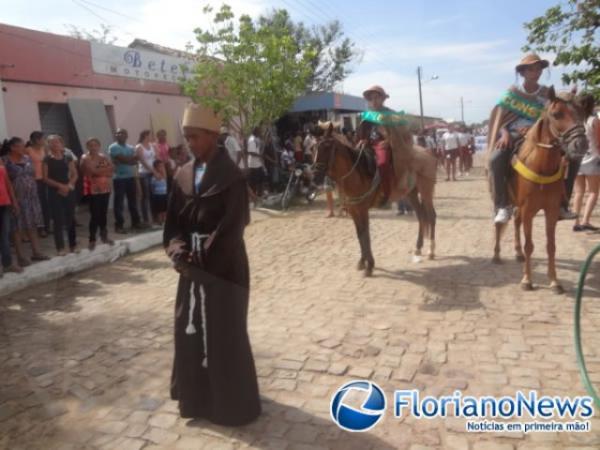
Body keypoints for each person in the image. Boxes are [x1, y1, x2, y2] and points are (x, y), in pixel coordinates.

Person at [163, 103, 261, 425]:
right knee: (188, 331)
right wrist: (179, 253)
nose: (189, 143)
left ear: (212, 136)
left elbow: (233, 226)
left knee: (225, 334)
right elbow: (174, 224)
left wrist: (203, 261)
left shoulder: (232, 177)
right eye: (186, 137)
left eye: (195, 137)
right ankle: (197, 399)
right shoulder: (182, 174)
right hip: (190, 268)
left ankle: (230, 405)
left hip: (224, 269)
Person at [488, 54, 553, 224]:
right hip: (513, 135)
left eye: (538, 68)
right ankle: (502, 205)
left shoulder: (547, 94)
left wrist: (533, 129)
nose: (536, 72)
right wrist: (505, 133)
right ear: (523, 72)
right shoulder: (512, 93)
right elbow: (499, 120)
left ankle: (563, 202)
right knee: (495, 160)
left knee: (568, 155)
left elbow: (550, 118)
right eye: (531, 69)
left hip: (539, 135)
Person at [1, 137, 48, 265]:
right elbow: (6, 181)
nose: (24, 148)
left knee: (32, 224)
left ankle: (36, 252)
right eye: (21, 146)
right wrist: (13, 199)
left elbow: (32, 174)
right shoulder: (5, 161)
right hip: (16, 199)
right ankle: (21, 257)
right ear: (13, 148)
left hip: (31, 197)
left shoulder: (27, 159)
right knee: (17, 227)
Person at [43, 135, 79, 256]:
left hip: (68, 190)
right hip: (54, 192)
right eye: (51, 143)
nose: (54, 144)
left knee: (70, 218)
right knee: (58, 220)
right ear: (48, 145)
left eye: (57, 142)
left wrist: (68, 186)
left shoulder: (67, 157)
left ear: (61, 143)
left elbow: (74, 174)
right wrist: (60, 186)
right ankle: (60, 248)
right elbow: (45, 178)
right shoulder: (47, 159)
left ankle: (73, 245)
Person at [80, 137, 114, 250]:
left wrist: (99, 172)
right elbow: (92, 171)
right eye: (91, 145)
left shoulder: (103, 156)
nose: (93, 147)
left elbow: (112, 169)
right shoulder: (85, 158)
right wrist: (104, 171)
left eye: (95, 145)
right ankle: (92, 239)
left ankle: (104, 236)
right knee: (95, 214)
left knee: (103, 213)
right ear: (87, 147)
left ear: (99, 146)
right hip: (93, 189)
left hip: (105, 188)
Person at [573, 94, 600, 232]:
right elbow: (598, 142)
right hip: (593, 158)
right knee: (593, 192)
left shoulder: (574, 121)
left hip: (577, 159)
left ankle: (576, 222)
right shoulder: (593, 120)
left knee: (578, 192)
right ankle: (585, 221)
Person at [109, 129, 142, 234]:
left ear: (126, 135)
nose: (120, 135)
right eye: (118, 133)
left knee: (133, 201)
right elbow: (125, 160)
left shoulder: (131, 147)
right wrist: (129, 160)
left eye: (122, 133)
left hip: (130, 177)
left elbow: (136, 160)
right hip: (119, 178)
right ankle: (119, 225)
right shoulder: (113, 147)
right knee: (119, 203)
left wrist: (128, 160)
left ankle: (136, 222)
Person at [0, 157, 22, 275]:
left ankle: (7, 264)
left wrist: (13, 200)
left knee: (5, 234)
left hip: (4, 202)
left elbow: (7, 182)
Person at [26, 131, 50, 237]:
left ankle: (47, 226)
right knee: (37, 205)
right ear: (36, 140)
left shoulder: (44, 149)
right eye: (42, 139)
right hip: (34, 180)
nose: (43, 141)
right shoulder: (28, 150)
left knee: (46, 204)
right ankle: (40, 228)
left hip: (45, 179)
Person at [135, 130, 157, 226]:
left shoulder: (152, 145)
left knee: (154, 196)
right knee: (145, 197)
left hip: (153, 172)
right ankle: (146, 219)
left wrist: (157, 170)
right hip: (144, 173)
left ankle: (155, 217)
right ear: (145, 136)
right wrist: (153, 171)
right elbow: (142, 161)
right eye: (149, 135)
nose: (151, 137)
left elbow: (155, 158)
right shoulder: (139, 147)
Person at [246, 127, 265, 198]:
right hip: (253, 165)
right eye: (259, 131)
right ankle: (253, 198)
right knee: (254, 183)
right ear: (256, 132)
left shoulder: (256, 139)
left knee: (261, 180)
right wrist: (260, 155)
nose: (260, 132)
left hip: (258, 164)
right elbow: (251, 152)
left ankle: (259, 196)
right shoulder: (252, 140)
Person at [151, 159, 168, 225]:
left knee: (165, 209)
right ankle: (160, 221)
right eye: (159, 166)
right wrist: (154, 193)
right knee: (159, 210)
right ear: (155, 168)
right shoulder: (154, 177)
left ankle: (165, 220)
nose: (161, 168)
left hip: (164, 193)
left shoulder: (164, 175)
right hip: (158, 195)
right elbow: (152, 187)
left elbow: (165, 179)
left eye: (162, 166)